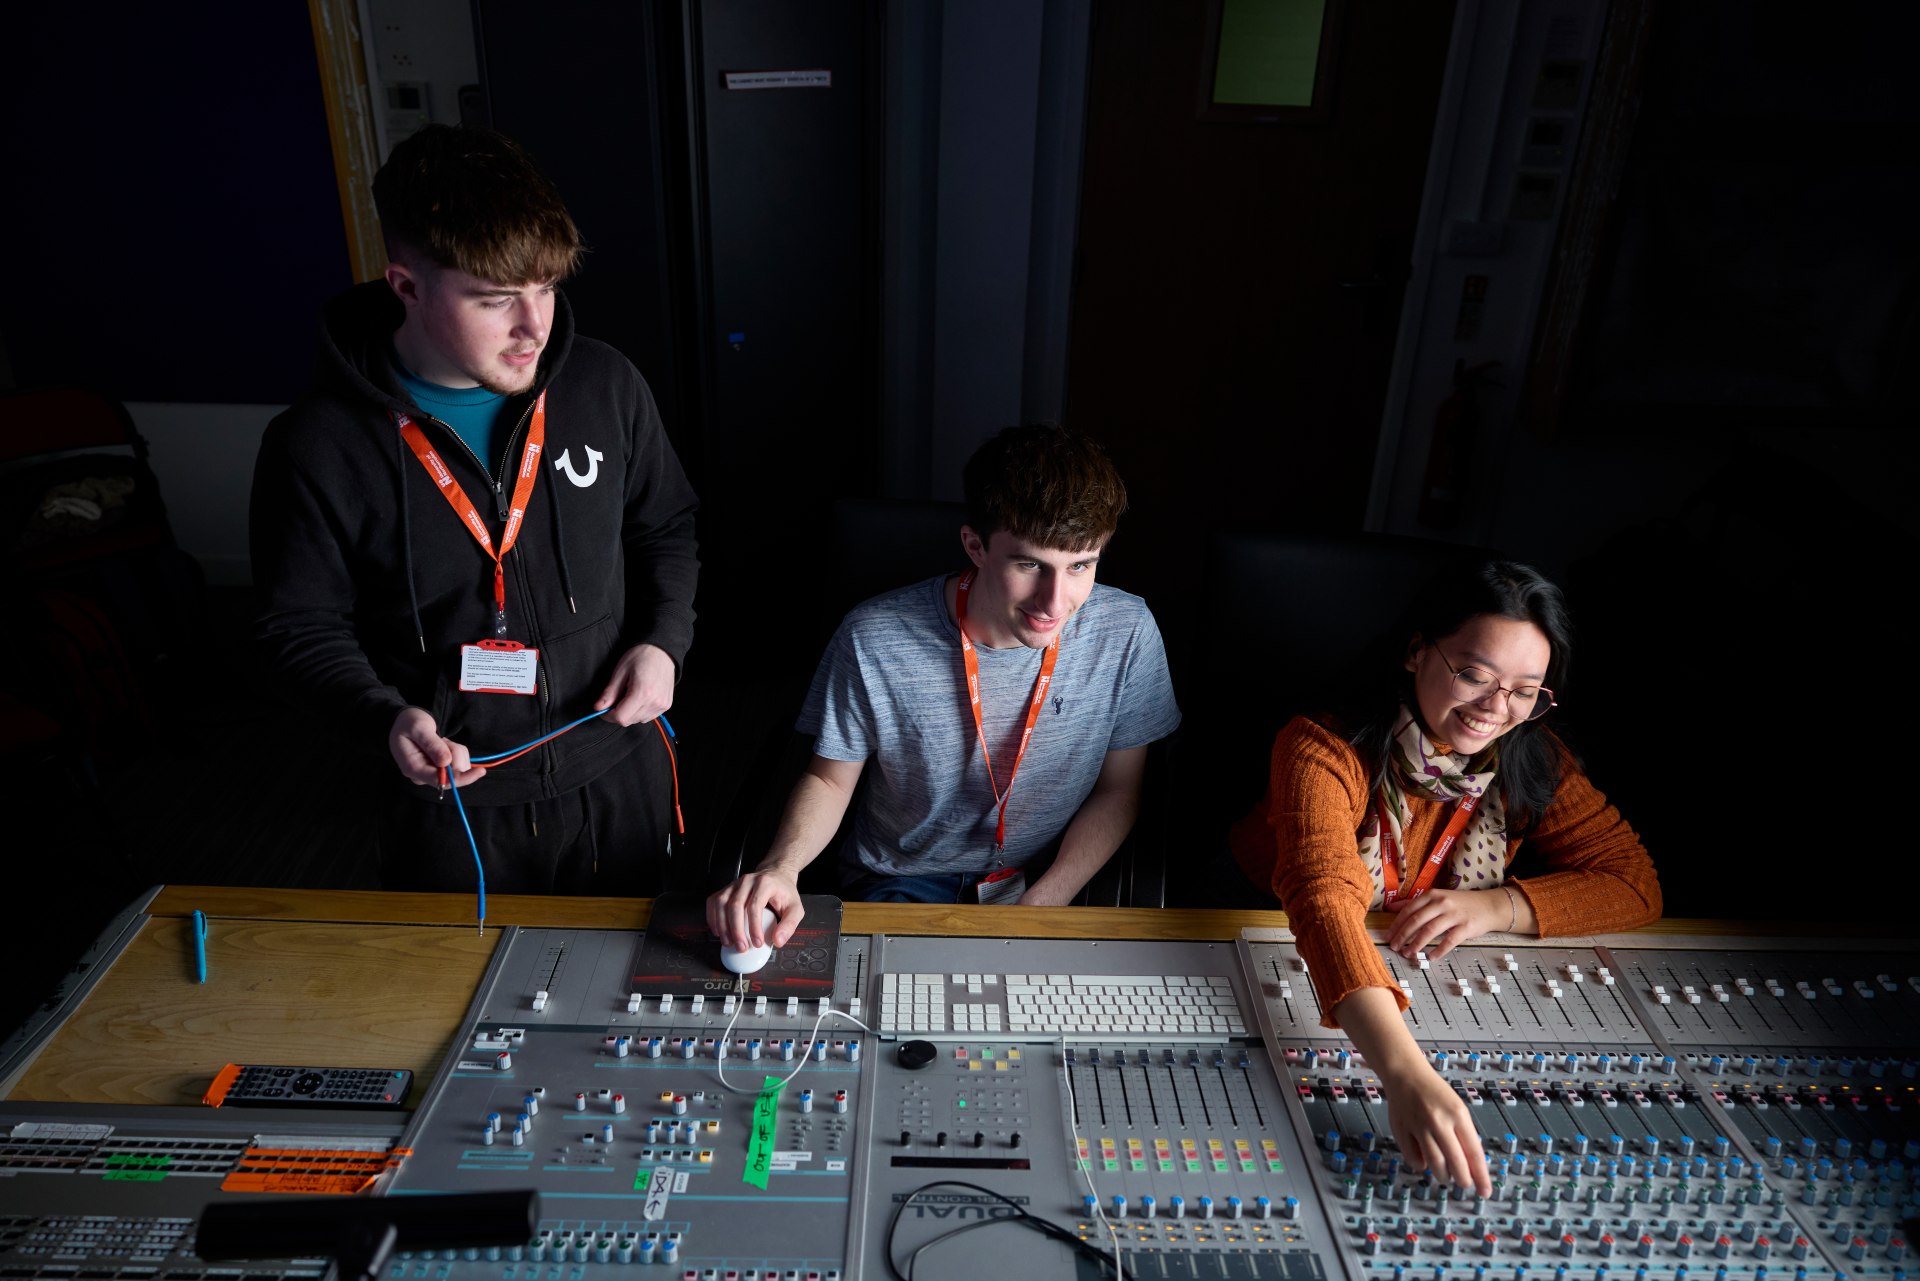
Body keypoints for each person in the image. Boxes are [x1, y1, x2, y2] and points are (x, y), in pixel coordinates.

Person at [251, 124, 699, 895]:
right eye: (496, 299)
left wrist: (664, 641)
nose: (535, 327)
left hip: (617, 769)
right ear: (406, 286)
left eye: (547, 289)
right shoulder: (314, 444)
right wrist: (383, 717)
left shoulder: (605, 385)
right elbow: (299, 625)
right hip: (452, 805)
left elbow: (665, 527)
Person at [1226, 560, 1659, 1193]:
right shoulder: (1320, 747)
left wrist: (1497, 908)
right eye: (1474, 674)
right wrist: (1404, 1074)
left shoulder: (1534, 754)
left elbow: (1634, 882)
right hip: (1264, 923)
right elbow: (1323, 896)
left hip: (1407, 950)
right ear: (1416, 652)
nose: (1496, 707)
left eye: (1524, 690)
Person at [707, 425, 1180, 949]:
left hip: (1047, 872)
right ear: (975, 546)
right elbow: (830, 781)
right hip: (903, 877)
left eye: (1081, 567)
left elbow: (1120, 791)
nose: (1054, 601)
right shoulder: (873, 637)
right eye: (1030, 565)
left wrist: (1040, 907)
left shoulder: (1128, 630)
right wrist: (781, 867)